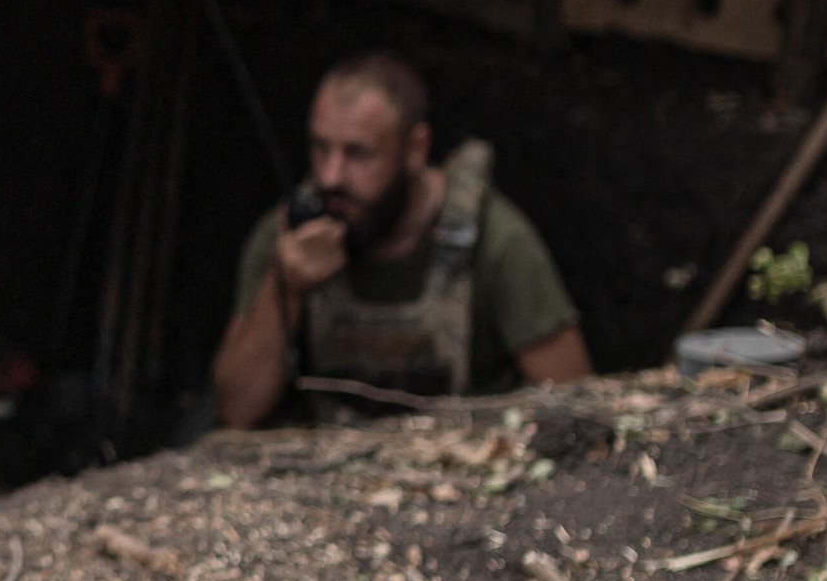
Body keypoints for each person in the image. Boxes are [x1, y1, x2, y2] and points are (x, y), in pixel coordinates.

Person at [210, 52, 589, 427]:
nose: (331, 178)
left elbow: (573, 404)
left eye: (358, 154)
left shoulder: (497, 242)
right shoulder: (289, 239)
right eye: (320, 148)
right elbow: (239, 410)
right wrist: (285, 290)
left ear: (415, 149)